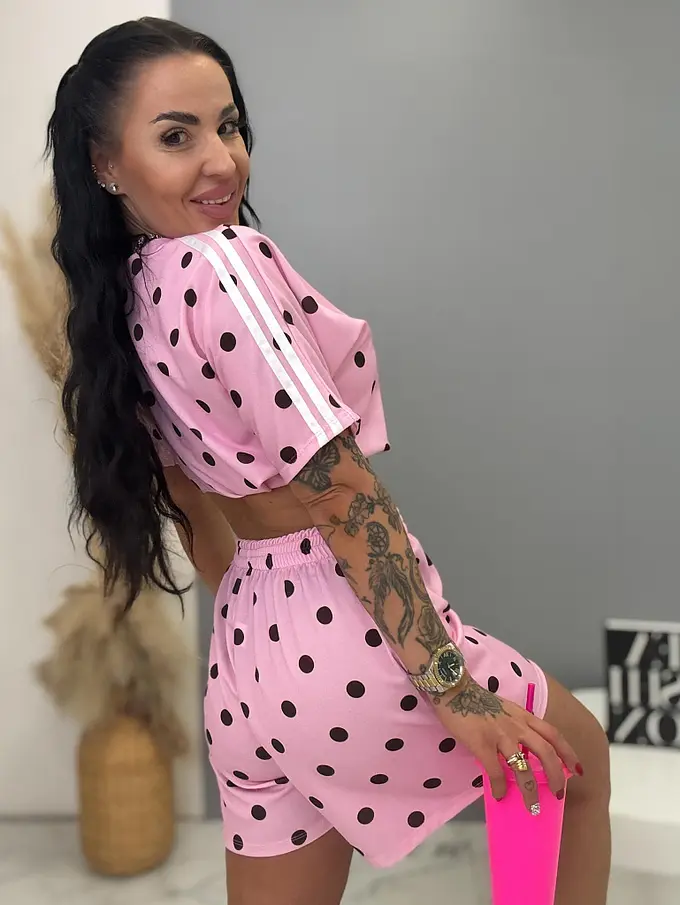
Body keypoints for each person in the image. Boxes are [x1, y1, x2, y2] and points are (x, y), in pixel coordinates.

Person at [47, 17, 611, 905]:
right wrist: (453, 688)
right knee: (572, 770)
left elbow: (193, 507)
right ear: (106, 163)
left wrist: (276, 642)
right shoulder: (221, 267)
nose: (221, 161)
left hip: (247, 661)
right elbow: (343, 492)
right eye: (176, 137)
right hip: (346, 630)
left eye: (229, 126)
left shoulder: (125, 301)